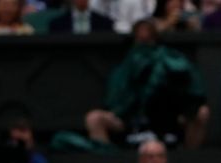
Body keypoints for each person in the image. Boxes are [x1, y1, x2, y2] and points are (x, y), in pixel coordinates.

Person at [84, 20, 209, 149]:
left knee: (202, 112)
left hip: (168, 117)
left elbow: (190, 90)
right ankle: (106, 160)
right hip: (130, 118)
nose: (144, 42)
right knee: (94, 118)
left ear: (155, 38)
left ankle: (188, 159)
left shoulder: (171, 58)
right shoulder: (127, 63)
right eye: (140, 38)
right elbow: (118, 95)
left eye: (148, 38)